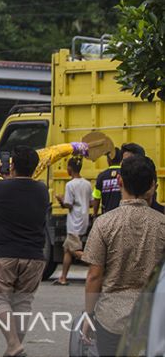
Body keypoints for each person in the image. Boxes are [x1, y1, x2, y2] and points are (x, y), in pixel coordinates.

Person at [81, 155, 165, 357]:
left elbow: (94, 276)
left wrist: (88, 316)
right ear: (153, 184)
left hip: (110, 319)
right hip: (152, 321)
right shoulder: (162, 224)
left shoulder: (104, 223)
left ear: (120, 180)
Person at [0, 145, 49, 357]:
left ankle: (13, 344)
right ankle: (13, 348)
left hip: (5, 253)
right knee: (23, 303)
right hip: (35, 256)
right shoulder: (42, 189)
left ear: (12, 165)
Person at [54, 157, 92, 285]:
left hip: (74, 221)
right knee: (67, 248)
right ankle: (63, 278)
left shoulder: (70, 185)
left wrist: (61, 200)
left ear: (70, 168)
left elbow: (68, 205)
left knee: (72, 250)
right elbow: (91, 203)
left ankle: (95, 264)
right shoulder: (87, 183)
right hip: (84, 218)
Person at [92, 148, 122, 217]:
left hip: (106, 216)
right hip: (122, 216)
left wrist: (94, 214)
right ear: (121, 159)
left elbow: (97, 198)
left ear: (108, 160)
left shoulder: (101, 176)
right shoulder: (125, 174)